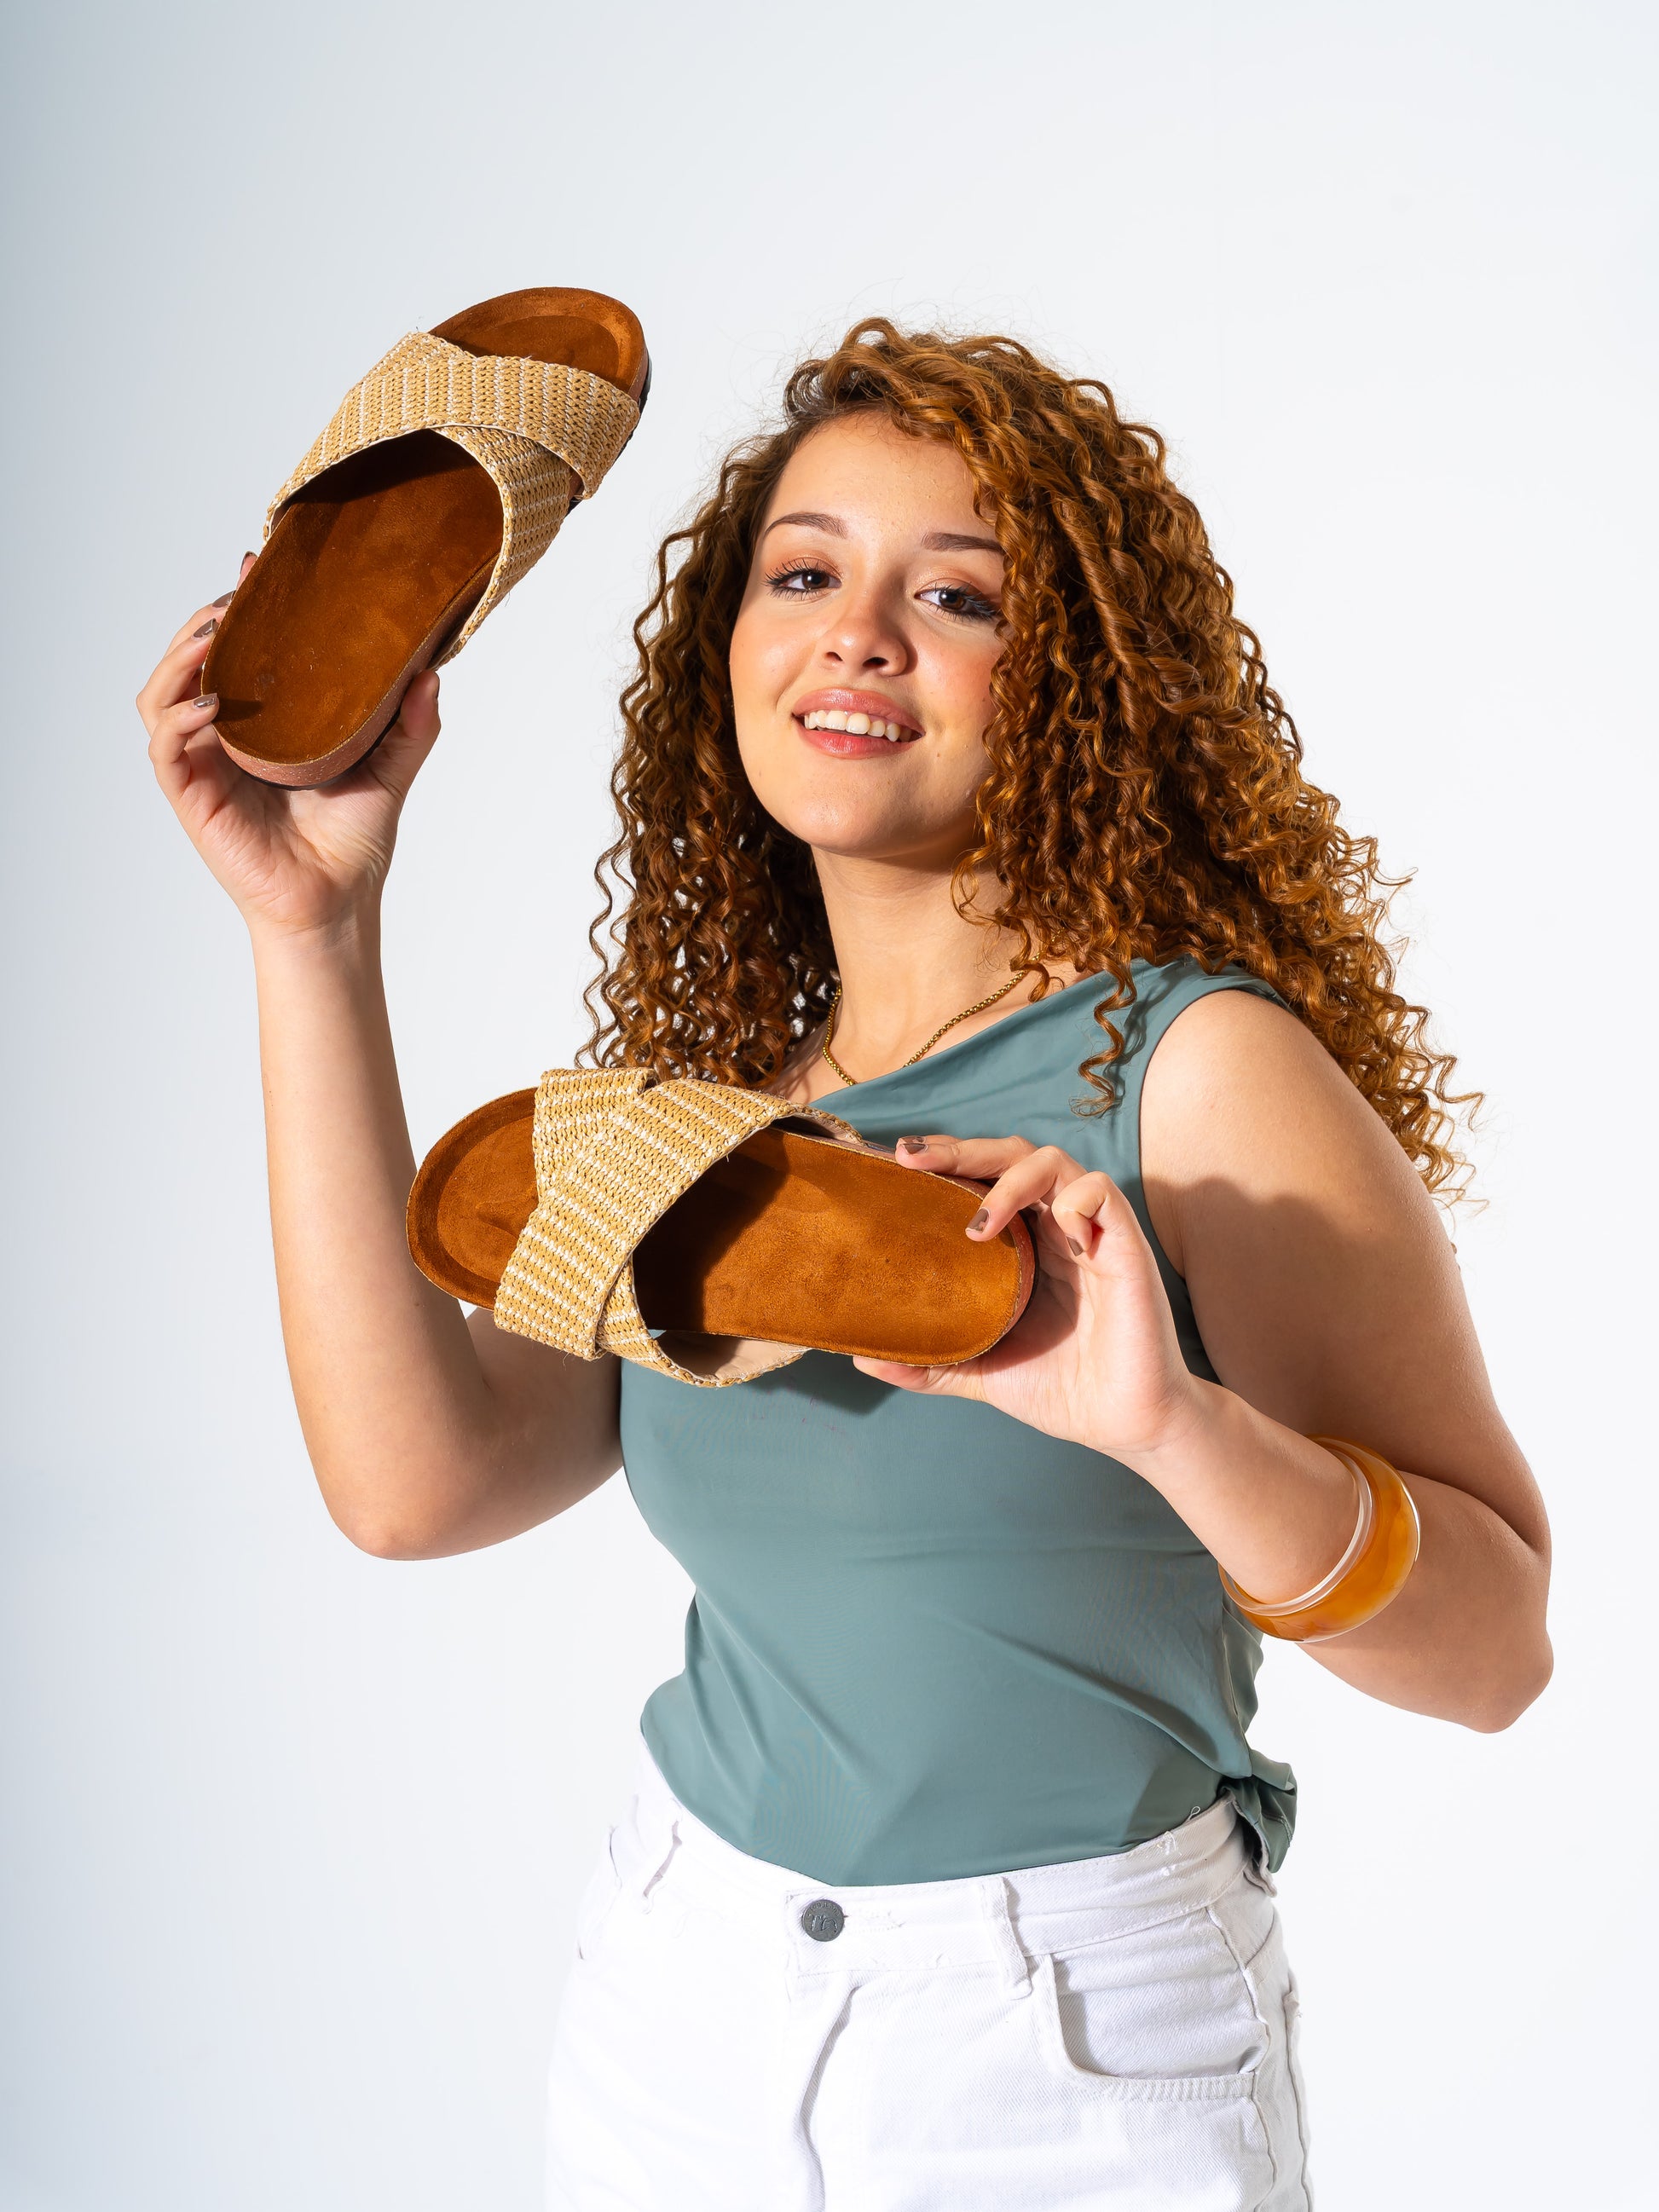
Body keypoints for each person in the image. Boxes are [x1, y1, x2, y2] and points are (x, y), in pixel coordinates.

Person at [137, 319, 1552, 2210]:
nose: (857, 634)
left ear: (1076, 678)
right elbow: (416, 1486)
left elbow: (1494, 1655)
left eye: (954, 597)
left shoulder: (1191, 1074)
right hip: (676, 2002)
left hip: (1066, 2053)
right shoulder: (716, 1120)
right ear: (721, 646)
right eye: (802, 575)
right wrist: (311, 930)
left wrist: (1171, 1426)